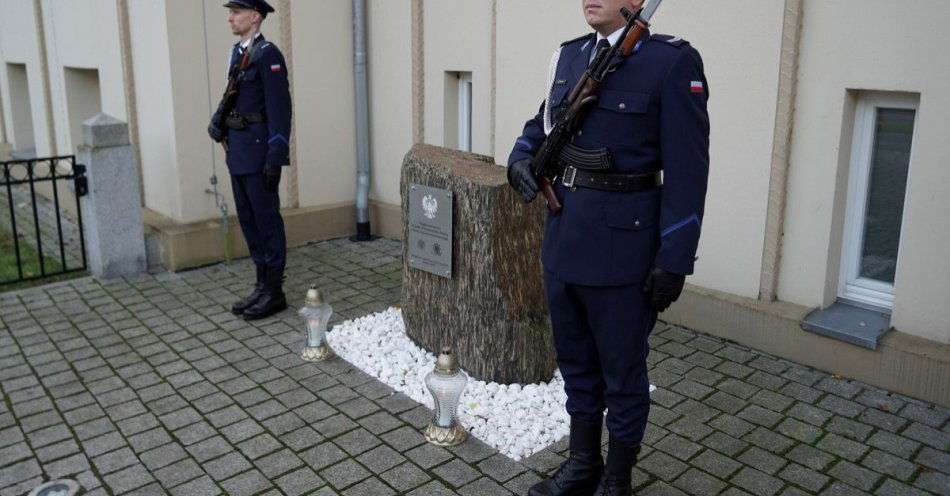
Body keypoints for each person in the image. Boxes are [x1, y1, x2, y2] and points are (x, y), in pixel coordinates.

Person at [507, 0, 709, 494]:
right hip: (564, 238)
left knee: (622, 372)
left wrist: (674, 259)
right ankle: (582, 464)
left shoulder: (671, 62)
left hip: (624, 247)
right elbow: (544, 124)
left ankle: (616, 478)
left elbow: (689, 169)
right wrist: (519, 159)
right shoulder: (570, 57)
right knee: (576, 365)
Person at [208, 0, 292, 321]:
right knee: (248, 219)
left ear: (254, 16)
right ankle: (261, 285)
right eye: (230, 12)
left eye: (236, 12)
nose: (230, 17)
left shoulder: (267, 55)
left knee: (267, 220)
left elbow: (280, 111)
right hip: (239, 152)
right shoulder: (238, 53)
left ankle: (275, 291)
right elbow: (233, 95)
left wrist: (276, 157)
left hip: (259, 155)